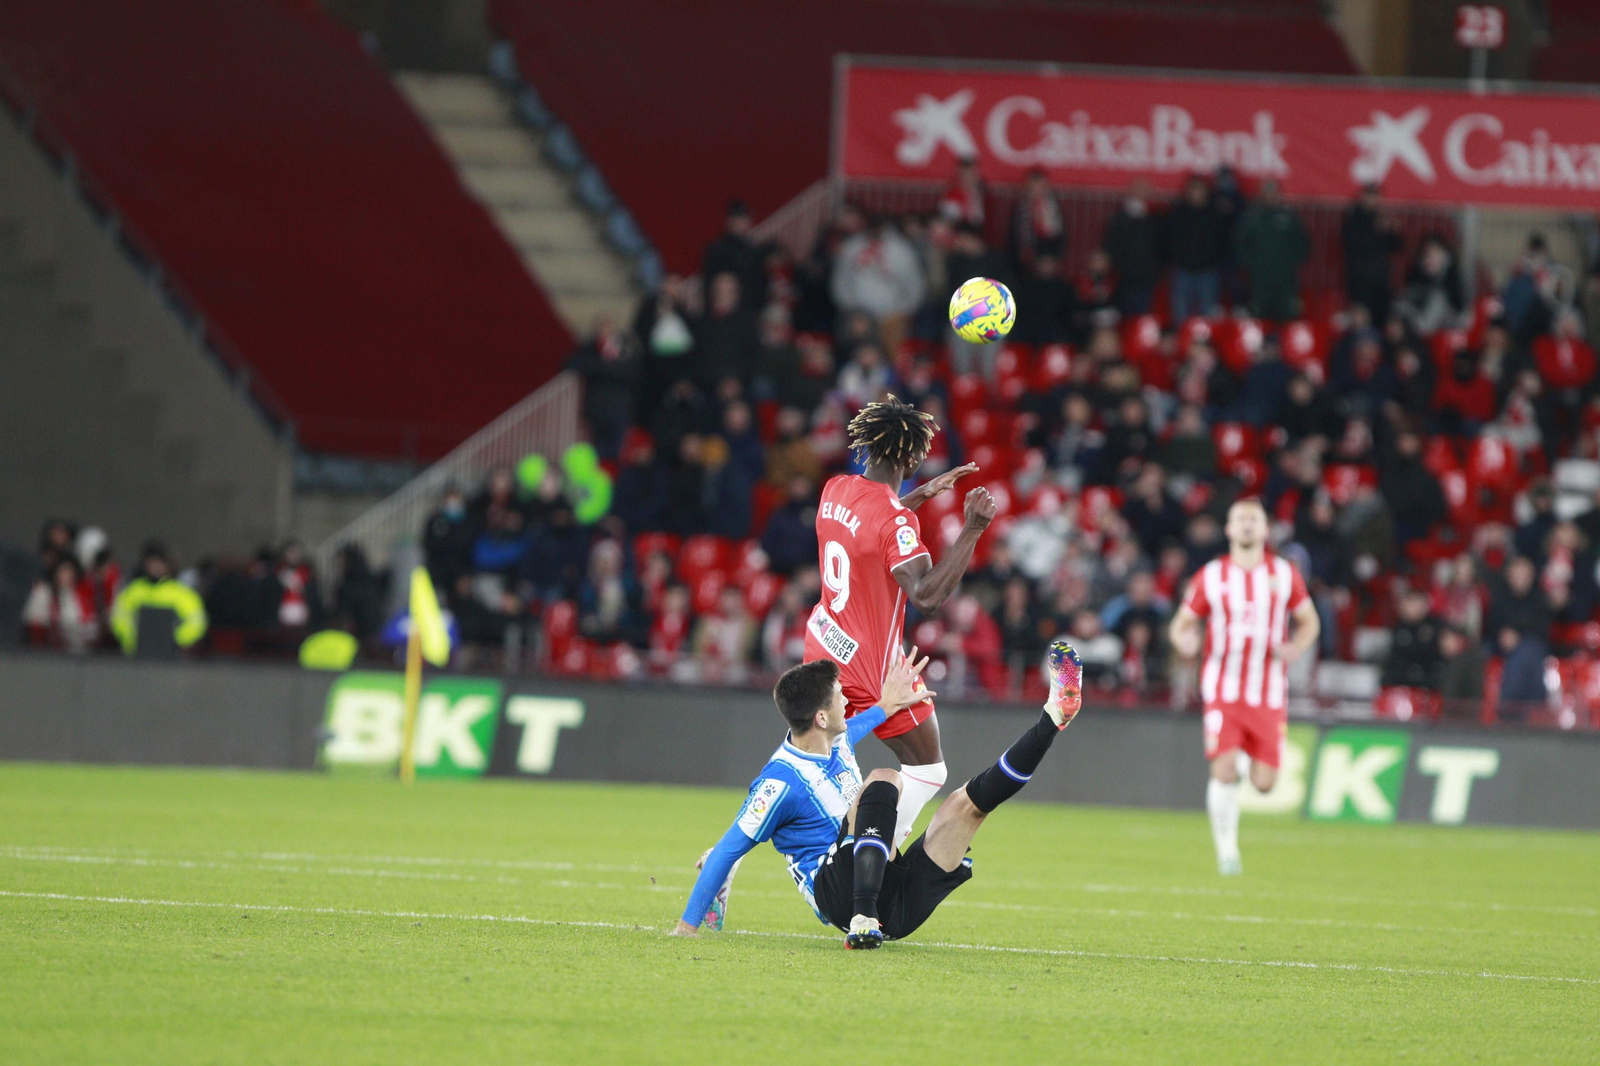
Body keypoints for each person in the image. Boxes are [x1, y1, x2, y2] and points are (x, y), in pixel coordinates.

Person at [673, 642, 1083, 946]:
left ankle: (1053, 717)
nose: (846, 698)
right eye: (838, 697)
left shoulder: (833, 741)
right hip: (836, 895)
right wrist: (686, 928)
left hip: (893, 906)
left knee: (968, 807)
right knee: (884, 777)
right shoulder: (780, 781)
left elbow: (850, 731)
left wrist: (886, 706)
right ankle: (862, 918)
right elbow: (730, 847)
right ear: (820, 716)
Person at [1168, 498, 1319, 876]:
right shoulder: (1212, 575)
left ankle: (1248, 754)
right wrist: (1184, 642)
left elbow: (1309, 622)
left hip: (1267, 691)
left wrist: (1296, 647)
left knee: (1265, 783)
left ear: (1266, 530)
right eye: (1241, 519)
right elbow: (1180, 624)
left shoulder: (1285, 574)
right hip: (1223, 687)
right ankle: (1226, 852)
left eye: (1255, 519)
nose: (1248, 524)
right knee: (1223, 769)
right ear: (1230, 529)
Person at [109, 542, 208, 655]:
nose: (155, 567)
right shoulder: (133, 591)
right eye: (151, 563)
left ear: (168, 565)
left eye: (159, 563)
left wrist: (174, 640)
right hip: (136, 657)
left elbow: (197, 622)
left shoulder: (182, 593)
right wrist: (134, 640)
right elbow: (119, 618)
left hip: (171, 657)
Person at [1233, 180, 1309, 322]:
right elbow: (1239, 244)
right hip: (1259, 281)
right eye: (1267, 192)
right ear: (1261, 194)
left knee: (1288, 317)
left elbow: (1303, 243)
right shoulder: (1251, 217)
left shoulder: (1289, 217)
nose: (1270, 196)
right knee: (1258, 318)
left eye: (1273, 192)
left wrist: (1291, 263)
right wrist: (1251, 265)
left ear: (1278, 194)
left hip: (1286, 280)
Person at [1340, 184, 1402, 324]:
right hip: (1360, 280)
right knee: (1362, 320)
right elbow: (1353, 244)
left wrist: (1392, 231)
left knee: (1382, 319)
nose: (1373, 200)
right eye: (1370, 196)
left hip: (1381, 280)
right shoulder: (1353, 217)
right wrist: (1377, 230)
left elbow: (1397, 246)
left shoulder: (1380, 217)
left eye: (1376, 197)